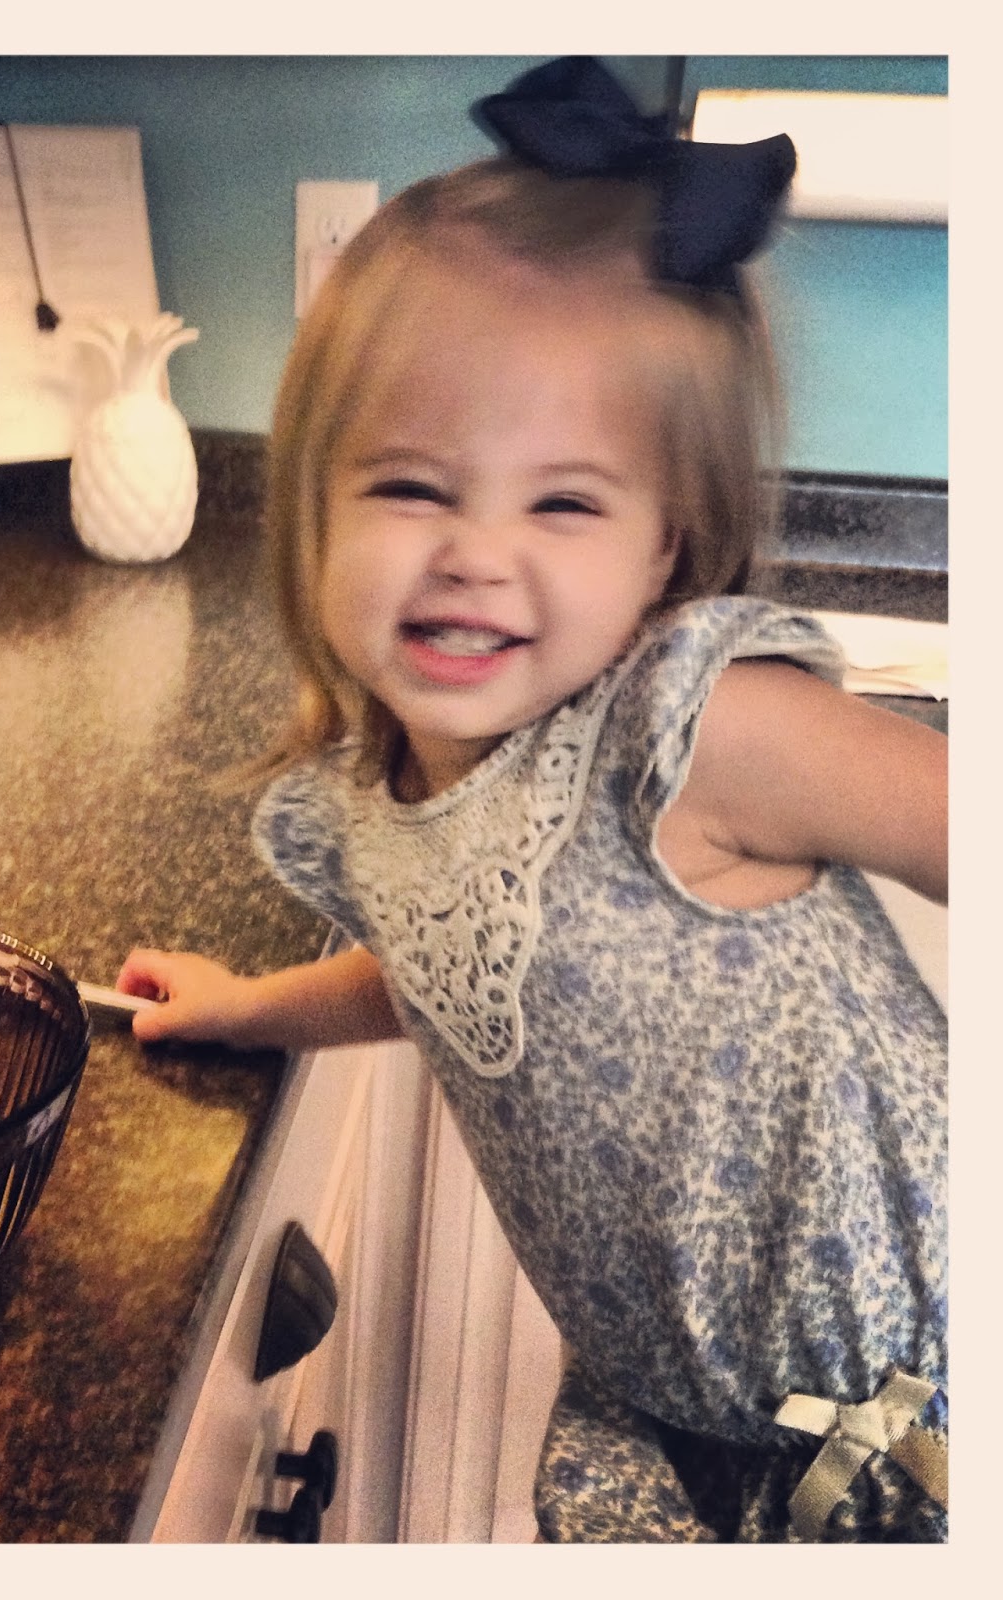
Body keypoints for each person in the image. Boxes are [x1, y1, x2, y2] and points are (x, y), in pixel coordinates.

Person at [116, 57, 947, 1542]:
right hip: (702, 1424)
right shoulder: (391, 796)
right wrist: (253, 1009)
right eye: (412, 487)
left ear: (662, 546)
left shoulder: (693, 732)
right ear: (311, 506)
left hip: (933, 1407)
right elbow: (447, 971)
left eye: (563, 501)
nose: (477, 553)